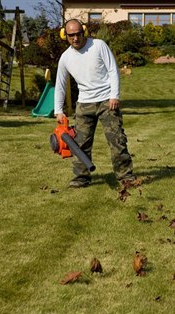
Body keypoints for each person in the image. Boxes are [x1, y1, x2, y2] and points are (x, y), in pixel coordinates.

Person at [54, 19, 135, 188]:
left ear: (83, 32)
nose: (75, 38)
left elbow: (113, 70)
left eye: (78, 34)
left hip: (107, 101)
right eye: (71, 35)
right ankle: (81, 178)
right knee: (80, 144)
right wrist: (58, 110)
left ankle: (125, 177)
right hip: (84, 105)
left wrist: (114, 95)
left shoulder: (98, 46)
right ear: (65, 36)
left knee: (117, 141)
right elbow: (60, 84)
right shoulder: (65, 58)